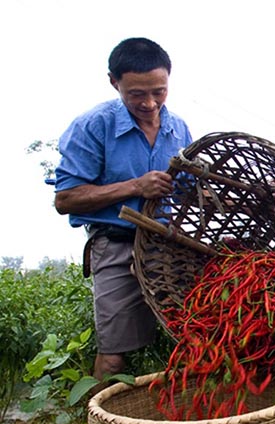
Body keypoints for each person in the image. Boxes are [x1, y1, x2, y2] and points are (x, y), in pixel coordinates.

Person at [54, 37, 193, 380]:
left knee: (198, 340)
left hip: (167, 250)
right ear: (114, 82)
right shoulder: (93, 126)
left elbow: (193, 190)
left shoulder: (178, 130)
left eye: (158, 92)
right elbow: (65, 199)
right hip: (117, 246)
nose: (149, 103)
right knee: (114, 357)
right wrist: (135, 187)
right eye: (136, 94)